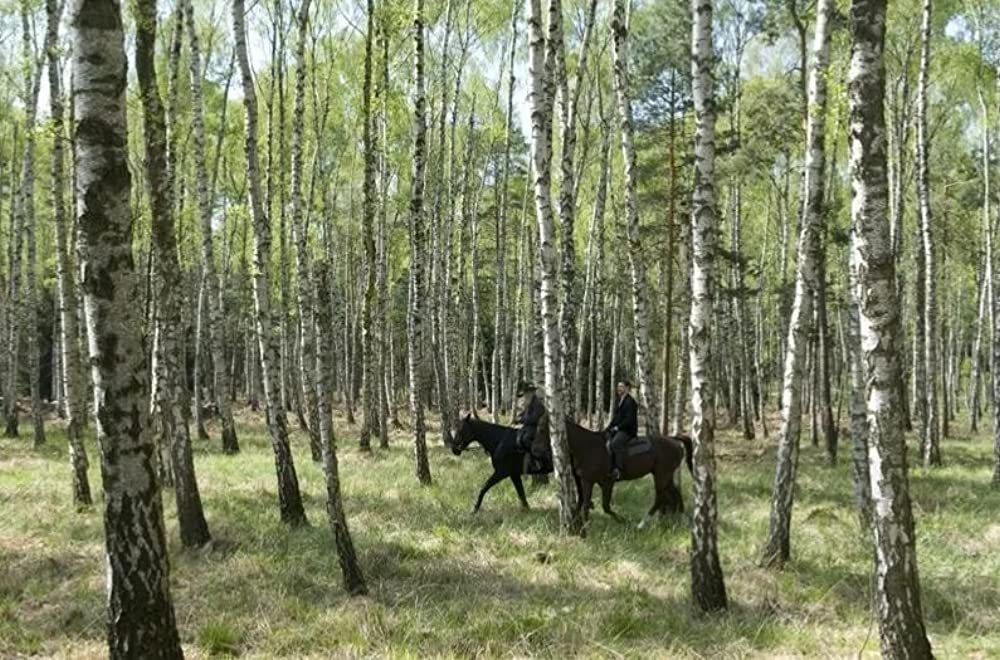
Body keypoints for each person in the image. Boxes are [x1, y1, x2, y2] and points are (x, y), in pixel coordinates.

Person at [605, 380, 638, 481]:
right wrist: (608, 427)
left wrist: (617, 427)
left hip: (628, 430)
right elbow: (616, 418)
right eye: (618, 386)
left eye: (621, 387)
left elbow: (629, 419)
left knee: (615, 444)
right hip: (619, 428)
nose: (619, 389)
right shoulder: (620, 400)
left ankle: (619, 470)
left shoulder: (631, 402)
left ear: (627, 388)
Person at [513, 381, 546, 454]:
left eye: (528, 392)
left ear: (532, 392)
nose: (526, 394)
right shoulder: (529, 402)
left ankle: (533, 454)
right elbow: (525, 412)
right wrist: (519, 417)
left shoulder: (537, 403)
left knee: (526, 438)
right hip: (528, 426)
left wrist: (522, 419)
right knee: (517, 436)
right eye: (525, 392)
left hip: (536, 427)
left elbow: (534, 418)